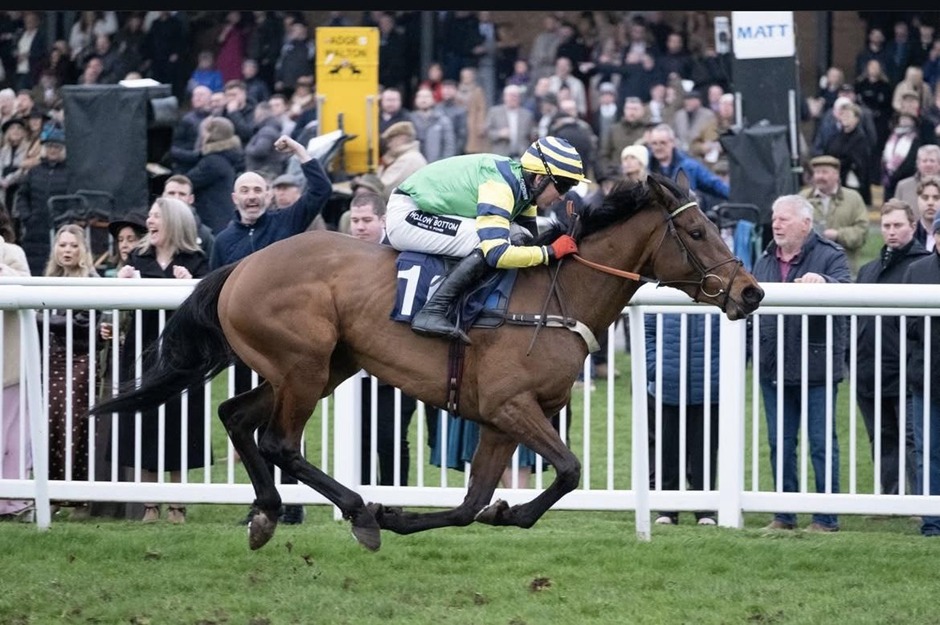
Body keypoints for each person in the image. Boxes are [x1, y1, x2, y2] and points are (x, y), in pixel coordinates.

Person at [211, 134, 331, 526]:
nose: (251, 196)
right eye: (244, 190)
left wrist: (300, 152)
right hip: (244, 347)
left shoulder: (286, 221)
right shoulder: (223, 241)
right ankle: (262, 499)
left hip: (287, 346)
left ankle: (292, 501)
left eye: (258, 190)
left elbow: (321, 190)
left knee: (288, 419)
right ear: (234, 198)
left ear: (267, 196)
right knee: (249, 421)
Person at [384, 136, 588, 344]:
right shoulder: (500, 186)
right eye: (563, 186)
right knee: (486, 241)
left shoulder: (525, 193)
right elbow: (496, 253)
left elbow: (528, 242)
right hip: (408, 215)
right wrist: (550, 252)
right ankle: (431, 311)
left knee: (519, 236)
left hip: (427, 211)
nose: (563, 196)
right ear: (539, 179)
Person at [752, 194, 851, 532]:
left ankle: (825, 517)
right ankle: (784, 514)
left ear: (806, 224)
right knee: (780, 443)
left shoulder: (829, 255)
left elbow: (848, 291)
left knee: (822, 444)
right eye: (775, 217)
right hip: (773, 367)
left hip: (817, 368)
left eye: (784, 219)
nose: (776, 224)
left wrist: (825, 283)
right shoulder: (764, 258)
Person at [113, 197, 210, 524]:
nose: (150, 221)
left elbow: (208, 312)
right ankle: (149, 506)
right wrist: (122, 287)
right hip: (142, 352)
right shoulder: (137, 259)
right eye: (150, 215)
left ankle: (177, 505)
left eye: (157, 216)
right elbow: (119, 310)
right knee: (144, 423)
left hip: (183, 355)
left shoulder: (196, 261)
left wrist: (189, 289)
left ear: (174, 223)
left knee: (178, 425)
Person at [855, 199, 930, 497]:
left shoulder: (923, 266)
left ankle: (919, 499)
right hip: (869, 370)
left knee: (913, 438)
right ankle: (889, 496)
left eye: (898, 225)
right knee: (882, 437)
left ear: (912, 226)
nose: (891, 231)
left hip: (908, 372)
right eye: (886, 226)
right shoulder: (868, 270)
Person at [347, 191, 419, 485]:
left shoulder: (401, 252)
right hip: (355, 368)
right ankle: (361, 499)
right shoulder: (344, 256)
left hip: (395, 367)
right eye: (354, 220)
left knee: (391, 439)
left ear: (384, 221)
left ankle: (395, 499)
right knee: (358, 439)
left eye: (366, 220)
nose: (360, 227)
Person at [41, 223, 100, 519]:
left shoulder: (92, 280)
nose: (67, 250)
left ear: (83, 250)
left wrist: (49, 321)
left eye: (73, 245)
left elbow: (87, 328)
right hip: (52, 361)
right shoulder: (48, 280)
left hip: (82, 359)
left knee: (77, 422)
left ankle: (78, 496)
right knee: (50, 423)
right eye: (62, 245)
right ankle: (50, 492)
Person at [646, 310, 721, 526]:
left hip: (709, 386)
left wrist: (726, 369)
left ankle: (704, 510)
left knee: (705, 450)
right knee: (667, 448)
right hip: (667, 384)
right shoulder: (666, 288)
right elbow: (647, 329)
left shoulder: (714, 289)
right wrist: (654, 368)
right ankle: (667, 509)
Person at [902, 210, 940, 536]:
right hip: (925, 376)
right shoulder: (917, 270)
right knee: (927, 450)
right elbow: (910, 325)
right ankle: (932, 521)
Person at [0, 207, 33, 521]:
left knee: (13, 438)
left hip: (8, 361)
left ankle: (15, 502)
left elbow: (26, 287)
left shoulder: (12, 253)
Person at [10, 124, 68, 275]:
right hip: (34, 231)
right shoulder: (34, 172)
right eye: (49, 146)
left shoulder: (69, 173)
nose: (53, 150)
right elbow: (22, 196)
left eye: (56, 146)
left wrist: (66, 219)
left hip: (59, 230)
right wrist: (27, 216)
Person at [798, 154, 870, 278]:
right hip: (808, 272)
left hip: (844, 270)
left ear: (836, 175)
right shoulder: (802, 198)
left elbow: (862, 232)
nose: (820, 176)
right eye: (817, 172)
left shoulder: (853, 199)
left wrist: (838, 235)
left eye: (825, 172)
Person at [185, 115, 245, 235]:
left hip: (212, 221)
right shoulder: (226, 158)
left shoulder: (212, 163)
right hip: (222, 219)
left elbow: (186, 182)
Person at [161, 174, 215, 261]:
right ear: (163, 196)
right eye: (171, 193)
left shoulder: (205, 237)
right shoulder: (151, 230)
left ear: (191, 199)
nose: (176, 198)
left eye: (182, 194)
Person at [376, 120, 428, 197]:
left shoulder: (408, 159)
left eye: (390, 141)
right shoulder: (411, 156)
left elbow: (385, 189)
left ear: (401, 138)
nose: (388, 145)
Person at [893, 144, 940, 210]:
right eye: (924, 161)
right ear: (918, 164)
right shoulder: (903, 186)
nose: (928, 164)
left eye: (932, 161)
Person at [913, 175, 939, 252]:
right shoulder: (909, 236)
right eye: (925, 197)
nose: (930, 203)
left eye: (936, 198)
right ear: (918, 200)